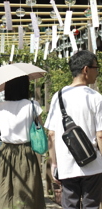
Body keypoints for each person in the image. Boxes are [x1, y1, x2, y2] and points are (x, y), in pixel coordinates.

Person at [44, 50, 102, 209]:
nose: (97, 72)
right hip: (92, 164)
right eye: (96, 68)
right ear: (86, 69)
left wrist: (54, 164)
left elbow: (52, 134)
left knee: (69, 206)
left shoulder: (59, 96)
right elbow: (100, 135)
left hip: (67, 164)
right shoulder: (95, 97)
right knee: (91, 206)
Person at [0, 75, 46, 209]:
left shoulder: (0, 106)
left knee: (5, 189)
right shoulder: (33, 105)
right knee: (27, 190)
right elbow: (40, 129)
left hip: (6, 151)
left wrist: (7, 131)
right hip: (26, 152)